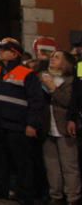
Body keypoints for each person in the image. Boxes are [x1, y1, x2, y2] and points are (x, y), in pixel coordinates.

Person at [0, 37, 46, 204]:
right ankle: (0, 189)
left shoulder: (27, 74)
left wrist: (32, 124)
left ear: (14, 53)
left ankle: (25, 194)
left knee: (22, 162)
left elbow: (36, 101)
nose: (0, 52)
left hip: (16, 125)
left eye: (4, 50)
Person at [40, 50, 79, 205]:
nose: (52, 60)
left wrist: (53, 88)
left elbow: (69, 102)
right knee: (52, 166)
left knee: (69, 166)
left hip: (64, 128)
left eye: (57, 57)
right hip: (48, 128)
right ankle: (55, 196)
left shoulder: (71, 81)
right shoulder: (44, 77)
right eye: (52, 57)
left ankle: (73, 197)